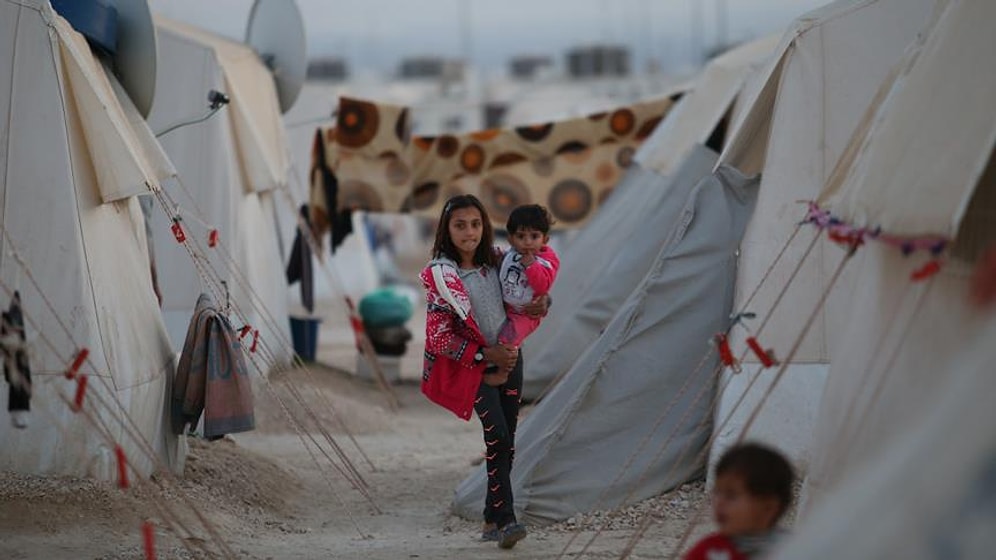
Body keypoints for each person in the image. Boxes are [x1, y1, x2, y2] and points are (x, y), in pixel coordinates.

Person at [419, 194, 548, 549]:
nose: (469, 232)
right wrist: (483, 357)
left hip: (510, 358)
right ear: (447, 229)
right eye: (460, 225)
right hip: (473, 367)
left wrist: (541, 303)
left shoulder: (500, 261)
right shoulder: (442, 275)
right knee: (498, 438)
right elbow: (437, 336)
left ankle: (492, 517)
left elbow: (530, 294)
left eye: (476, 224)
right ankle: (507, 521)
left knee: (508, 440)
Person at [684, 443, 795, 560]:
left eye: (731, 495)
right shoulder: (709, 552)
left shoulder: (793, 550)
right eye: (717, 492)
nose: (719, 502)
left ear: (768, 507)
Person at [497, 205, 559, 347]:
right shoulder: (509, 253)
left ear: (545, 239)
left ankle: (503, 368)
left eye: (534, 236)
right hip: (507, 307)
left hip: (526, 313)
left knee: (506, 341)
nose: (528, 242)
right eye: (520, 236)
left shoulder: (546, 260)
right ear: (511, 239)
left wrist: (532, 266)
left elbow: (543, 286)